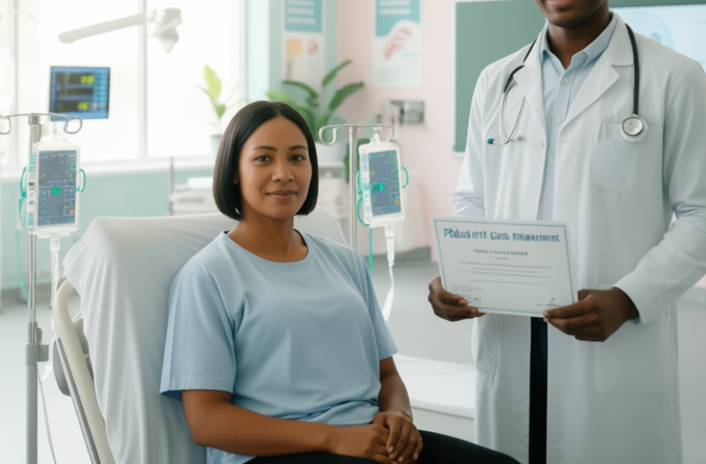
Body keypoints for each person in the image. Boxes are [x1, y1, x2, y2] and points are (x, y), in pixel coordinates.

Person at [428, 0, 706, 464]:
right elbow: (474, 197)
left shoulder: (673, 78)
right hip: (509, 332)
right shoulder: (497, 81)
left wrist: (629, 298)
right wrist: (459, 273)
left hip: (609, 339)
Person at [162, 101, 518, 464]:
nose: (284, 173)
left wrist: (399, 415)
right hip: (276, 453)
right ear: (234, 171)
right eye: (263, 158)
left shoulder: (345, 261)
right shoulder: (206, 276)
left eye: (297, 158)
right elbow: (207, 422)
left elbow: (387, 375)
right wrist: (335, 439)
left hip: (367, 440)